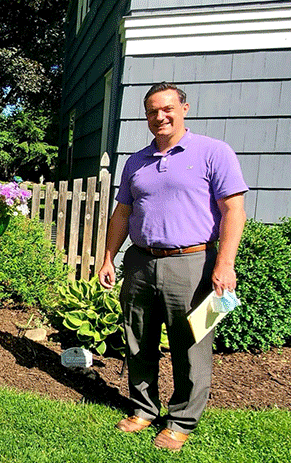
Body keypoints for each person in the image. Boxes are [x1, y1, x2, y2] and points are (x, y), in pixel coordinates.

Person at [98, 82, 247, 450]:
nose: (159, 116)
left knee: (192, 345)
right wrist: (108, 257)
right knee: (138, 339)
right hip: (140, 263)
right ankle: (143, 409)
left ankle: (181, 421)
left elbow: (234, 211)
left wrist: (225, 263)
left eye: (167, 109)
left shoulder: (214, 152)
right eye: (152, 111)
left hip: (194, 263)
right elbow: (122, 213)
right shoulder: (137, 161)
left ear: (184, 108)